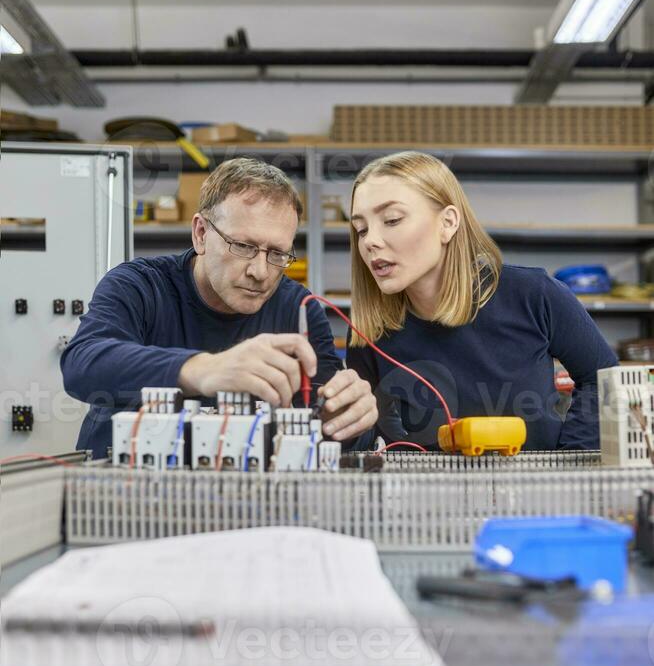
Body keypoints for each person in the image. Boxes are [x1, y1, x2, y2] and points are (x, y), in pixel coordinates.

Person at [62, 158, 377, 458]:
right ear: (201, 233)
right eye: (243, 246)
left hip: (241, 500)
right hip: (121, 494)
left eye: (277, 254)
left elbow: (324, 424)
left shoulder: (298, 309)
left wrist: (350, 420)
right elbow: (82, 364)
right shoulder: (141, 285)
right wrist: (202, 369)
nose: (260, 272)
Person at [346, 151, 617, 451]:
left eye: (392, 219)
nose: (370, 240)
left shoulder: (534, 294)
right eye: (361, 229)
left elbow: (604, 379)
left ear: (447, 223)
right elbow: (365, 439)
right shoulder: (368, 329)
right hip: (424, 497)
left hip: (535, 494)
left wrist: (571, 465)